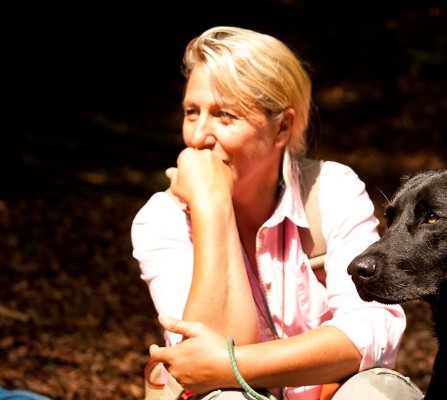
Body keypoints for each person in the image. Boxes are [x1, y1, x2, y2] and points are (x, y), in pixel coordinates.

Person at [131, 26, 423, 400]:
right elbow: (203, 367)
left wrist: (230, 364)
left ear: (282, 127)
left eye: (224, 115)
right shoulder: (162, 219)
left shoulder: (332, 190)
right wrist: (212, 208)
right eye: (191, 112)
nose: (198, 137)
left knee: (379, 392)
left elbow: (373, 329)